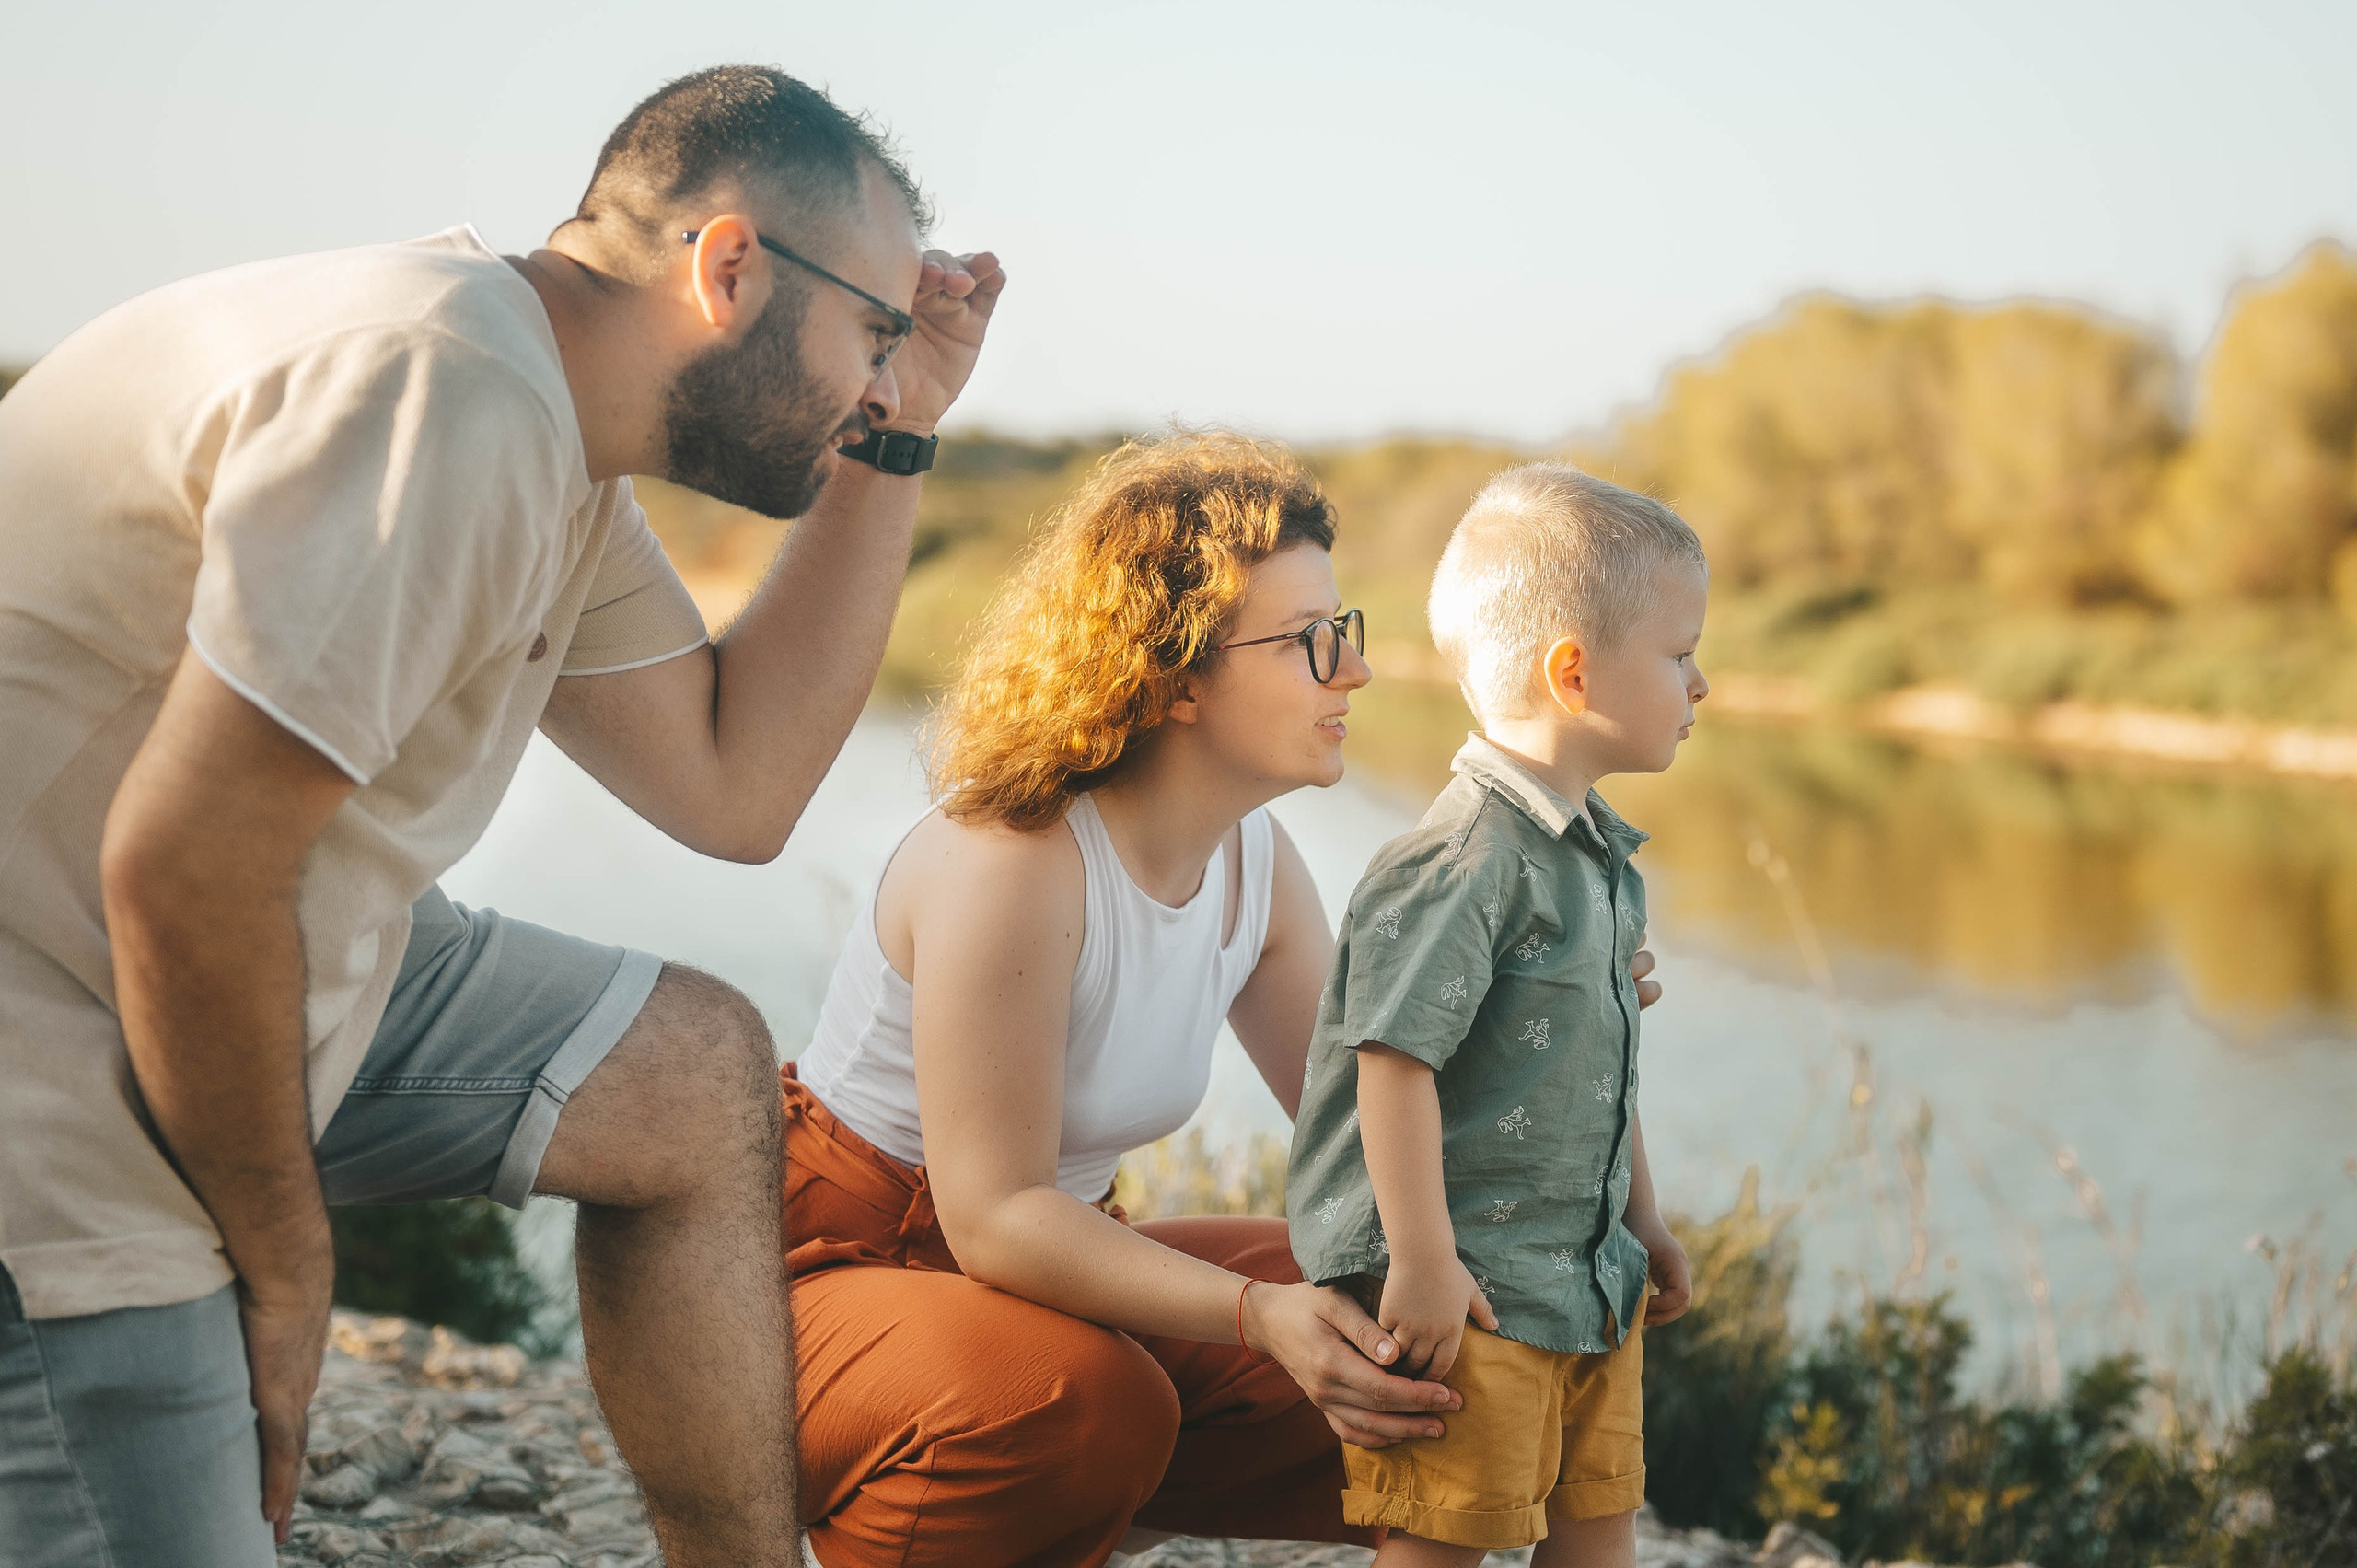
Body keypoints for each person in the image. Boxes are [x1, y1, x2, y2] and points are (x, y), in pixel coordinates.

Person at [0, 65, 1002, 1567]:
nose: (878, 376)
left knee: (685, 1072)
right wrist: (284, 1271)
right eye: (873, 334)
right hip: (60, 1053)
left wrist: (897, 439)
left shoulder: (540, 417)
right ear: (730, 269)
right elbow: (182, 870)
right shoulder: (441, 393)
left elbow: (736, 787)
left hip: (224, 969)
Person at [780, 433, 1666, 1567]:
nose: (1354, 671)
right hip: (844, 1271)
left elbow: (1393, 1124)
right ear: (1177, 672)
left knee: (1412, 1328)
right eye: (1311, 643)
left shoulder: (1256, 861)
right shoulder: (1013, 863)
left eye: (1343, 633)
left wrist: (1566, 989)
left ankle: (1067, 1522)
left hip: (1047, 1266)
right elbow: (994, 1214)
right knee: (1086, 1400)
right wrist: (1256, 1316)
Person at [1284, 465, 1707, 1565]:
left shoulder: (1600, 858)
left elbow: (1598, 1068)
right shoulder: (1466, 858)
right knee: (1442, 1543)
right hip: (1473, 1291)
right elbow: (1392, 1059)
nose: (1699, 682)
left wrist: (1641, 1221)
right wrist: (1422, 1261)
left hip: (1586, 1279)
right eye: (1678, 653)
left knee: (1598, 1524)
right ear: (1573, 672)